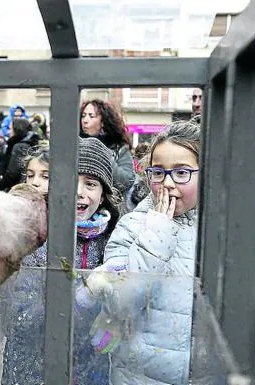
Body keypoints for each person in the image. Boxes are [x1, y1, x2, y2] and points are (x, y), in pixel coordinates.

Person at [85, 120, 201, 385]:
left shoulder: (219, 228)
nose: (168, 184)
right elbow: (121, 302)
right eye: (158, 172)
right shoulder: (132, 226)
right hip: (139, 376)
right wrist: (158, 231)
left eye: (182, 173)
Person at [0, 138, 121, 385]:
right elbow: (17, 320)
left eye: (90, 184)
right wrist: (81, 299)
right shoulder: (34, 238)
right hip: (33, 373)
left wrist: (113, 325)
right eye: (70, 181)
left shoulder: (114, 239)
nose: (79, 191)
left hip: (90, 374)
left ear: (103, 193)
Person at [80, 99, 135, 195]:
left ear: (103, 122)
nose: (85, 120)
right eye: (83, 116)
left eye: (91, 116)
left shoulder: (119, 147)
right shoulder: (74, 144)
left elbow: (127, 181)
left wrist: (103, 154)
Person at [0, 118, 39, 192]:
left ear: (17, 130)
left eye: (10, 129)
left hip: (17, 190)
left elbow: (12, 174)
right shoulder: (30, 144)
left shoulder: (19, 147)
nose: (9, 132)